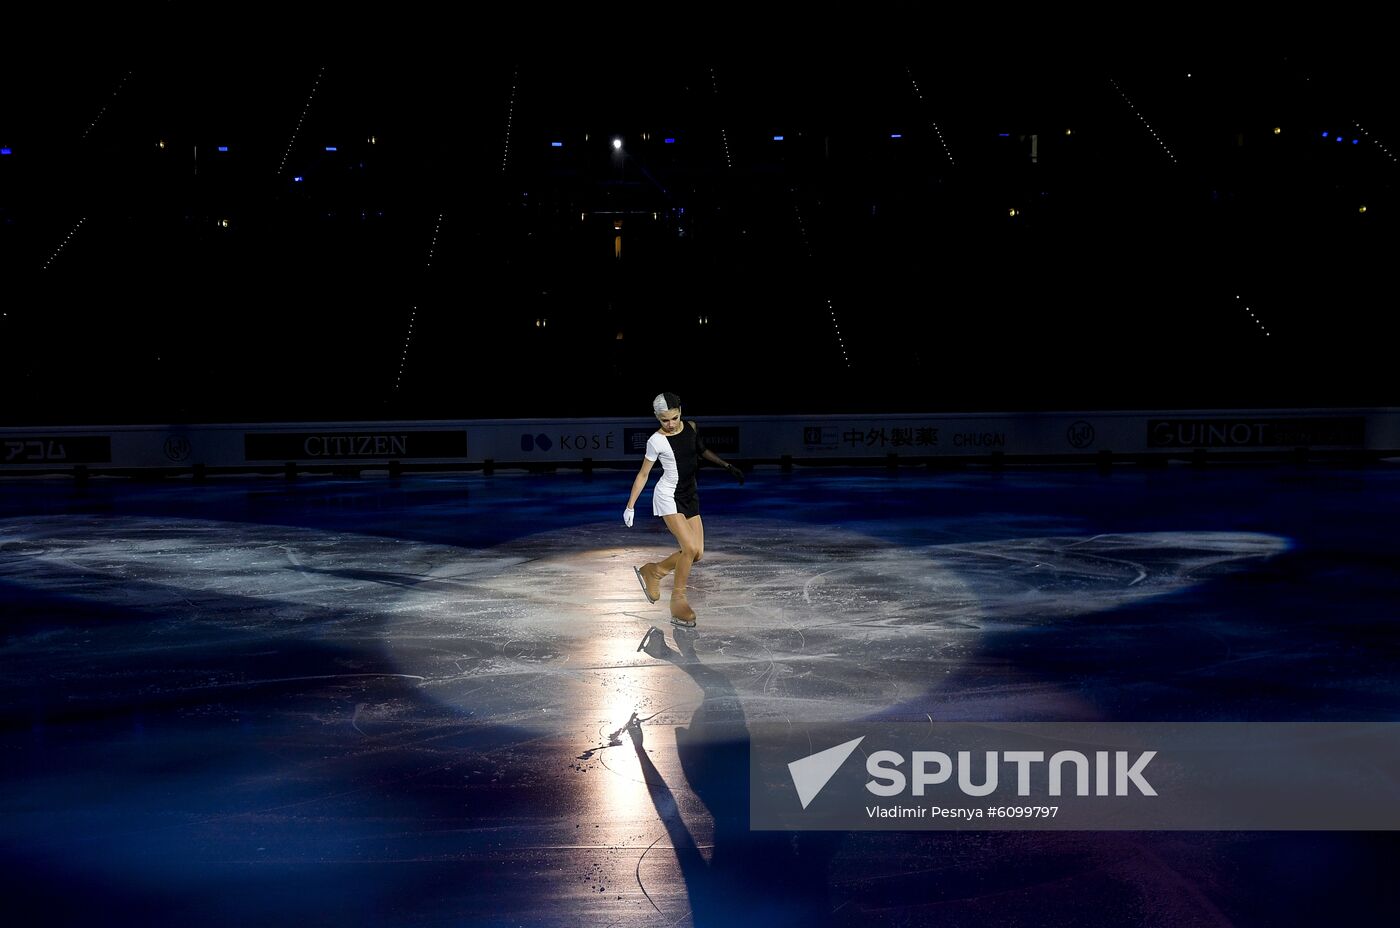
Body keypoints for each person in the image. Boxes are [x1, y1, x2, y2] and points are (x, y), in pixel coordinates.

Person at [624, 392, 744, 627]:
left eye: (673, 418)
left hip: (690, 496)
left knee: (697, 553)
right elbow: (643, 474)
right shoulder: (655, 441)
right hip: (668, 496)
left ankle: (655, 571)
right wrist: (630, 506)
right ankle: (678, 602)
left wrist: (727, 466)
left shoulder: (690, 427)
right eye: (664, 420)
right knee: (688, 547)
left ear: (681, 411)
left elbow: (701, 450)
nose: (670, 424)